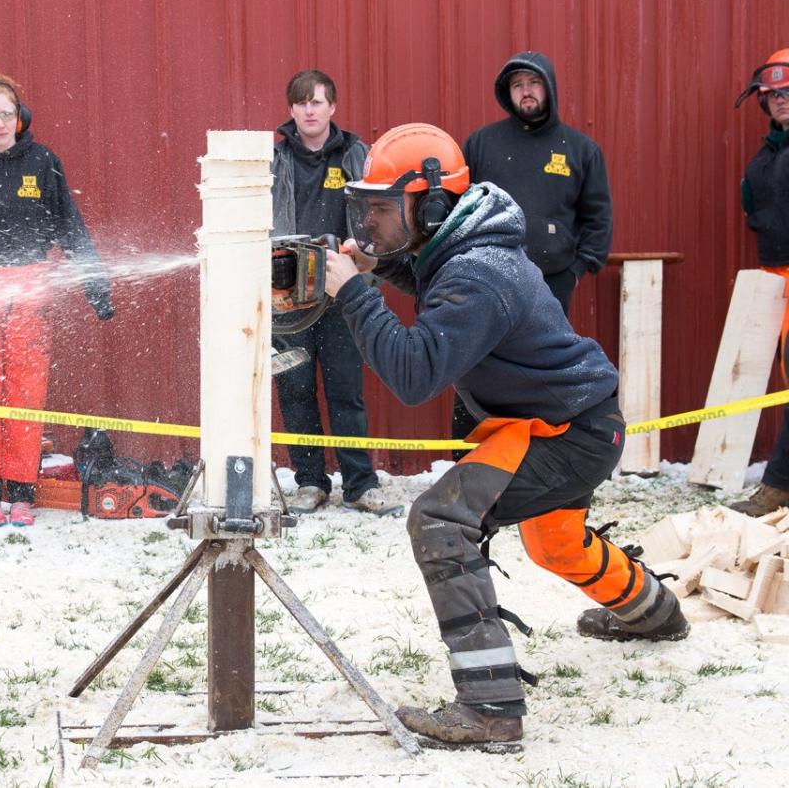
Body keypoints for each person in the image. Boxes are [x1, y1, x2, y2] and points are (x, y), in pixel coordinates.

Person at [323, 123, 687, 750]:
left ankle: (490, 708)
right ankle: (656, 613)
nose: (369, 223)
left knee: (440, 520)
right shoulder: (466, 252)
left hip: (568, 432)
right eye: (366, 208)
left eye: (382, 210)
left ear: (432, 205)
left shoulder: (478, 276)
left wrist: (356, 291)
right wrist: (377, 266)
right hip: (566, 419)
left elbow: (414, 374)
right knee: (557, 545)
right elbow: (430, 276)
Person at [0, 71, 114, 528]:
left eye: (5, 114)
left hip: (31, 286)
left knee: (26, 390)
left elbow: (70, 226)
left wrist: (95, 285)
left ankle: (23, 492)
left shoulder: (42, 161)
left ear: (20, 116)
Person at [454, 52, 614, 455]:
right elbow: (458, 207)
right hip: (488, 278)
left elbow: (598, 219)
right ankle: (467, 455)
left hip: (551, 283)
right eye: (517, 84)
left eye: (533, 82)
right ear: (507, 93)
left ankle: (539, 454)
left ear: (549, 88)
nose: (526, 91)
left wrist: (577, 270)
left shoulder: (580, 149)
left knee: (539, 368)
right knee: (475, 360)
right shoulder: (482, 143)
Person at [271, 69, 395, 515]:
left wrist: (364, 267)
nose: (309, 110)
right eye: (301, 102)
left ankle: (360, 484)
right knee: (295, 389)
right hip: (289, 297)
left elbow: (377, 219)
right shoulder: (276, 160)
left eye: (317, 102)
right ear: (291, 110)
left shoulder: (356, 156)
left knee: (346, 390)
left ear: (332, 108)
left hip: (343, 291)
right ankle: (310, 482)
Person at [730, 49, 789, 516]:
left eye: (788, 93)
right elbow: (754, 209)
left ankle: (778, 486)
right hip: (775, 275)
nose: (781, 101)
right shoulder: (765, 156)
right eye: (773, 95)